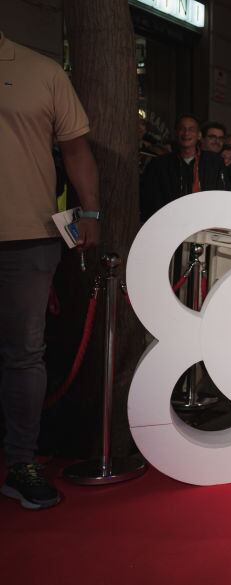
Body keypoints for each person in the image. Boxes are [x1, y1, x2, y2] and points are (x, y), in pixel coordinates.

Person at [0, 33, 100, 509]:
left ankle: (21, 462)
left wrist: (92, 214)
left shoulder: (42, 71)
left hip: (28, 237)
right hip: (29, 243)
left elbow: (76, 150)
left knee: (24, 355)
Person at [140, 114, 228, 221]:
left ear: (199, 135)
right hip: (169, 222)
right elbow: (150, 198)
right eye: (182, 129)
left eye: (191, 129)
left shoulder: (214, 162)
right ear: (176, 133)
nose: (186, 133)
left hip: (205, 221)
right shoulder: (160, 164)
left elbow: (220, 194)